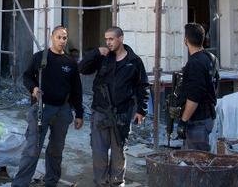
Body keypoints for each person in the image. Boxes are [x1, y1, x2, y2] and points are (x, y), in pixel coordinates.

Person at [13, 26, 84, 187]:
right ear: (52, 37)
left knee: (56, 151)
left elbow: (76, 90)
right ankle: (19, 184)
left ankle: (51, 183)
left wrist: (79, 113)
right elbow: (27, 77)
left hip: (62, 111)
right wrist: (33, 88)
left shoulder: (70, 62)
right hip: (41, 110)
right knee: (32, 150)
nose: (61, 41)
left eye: (64, 38)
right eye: (58, 37)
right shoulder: (40, 57)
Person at [79, 27, 149, 187]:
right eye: (106, 39)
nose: (108, 42)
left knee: (119, 151)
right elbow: (82, 68)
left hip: (122, 114)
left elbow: (143, 86)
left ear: (121, 38)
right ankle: (101, 183)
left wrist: (141, 110)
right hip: (101, 111)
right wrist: (96, 52)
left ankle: (117, 182)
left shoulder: (134, 61)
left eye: (111, 39)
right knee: (99, 151)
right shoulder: (103, 57)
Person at [176, 23, 220, 151]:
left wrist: (183, 121)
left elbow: (194, 98)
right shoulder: (211, 58)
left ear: (186, 40)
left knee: (195, 162)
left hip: (197, 120)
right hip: (207, 116)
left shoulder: (195, 63)